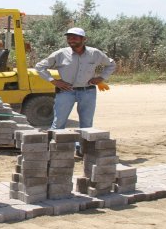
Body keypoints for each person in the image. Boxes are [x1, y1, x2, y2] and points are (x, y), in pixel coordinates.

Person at [34, 27, 116, 155]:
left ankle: (82, 150)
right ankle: (54, 151)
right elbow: (39, 67)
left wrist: (101, 78)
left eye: (74, 37)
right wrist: (54, 81)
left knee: (87, 124)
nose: (71, 39)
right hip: (66, 91)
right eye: (69, 37)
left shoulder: (95, 53)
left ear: (83, 39)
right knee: (59, 122)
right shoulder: (60, 54)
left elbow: (111, 64)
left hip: (88, 91)